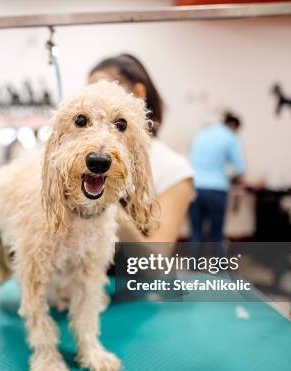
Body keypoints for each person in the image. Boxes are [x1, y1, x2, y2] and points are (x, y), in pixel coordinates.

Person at [88, 54, 194, 243]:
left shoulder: (173, 169)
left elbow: (156, 263)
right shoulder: (82, 159)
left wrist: (106, 207)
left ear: (138, 94)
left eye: (105, 93)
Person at [188, 112, 245, 245]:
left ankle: (193, 266)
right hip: (217, 190)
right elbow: (240, 168)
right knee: (217, 234)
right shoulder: (230, 137)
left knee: (196, 233)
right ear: (233, 125)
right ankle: (218, 266)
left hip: (194, 187)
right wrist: (232, 179)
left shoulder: (201, 134)